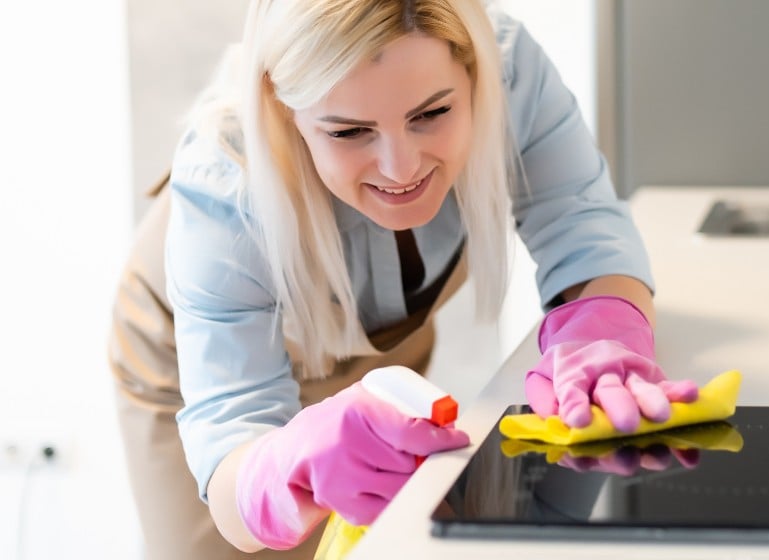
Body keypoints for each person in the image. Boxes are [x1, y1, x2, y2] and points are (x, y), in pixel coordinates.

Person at [107, 0, 697, 557]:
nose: (402, 169)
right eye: (347, 131)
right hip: (184, 367)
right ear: (286, 111)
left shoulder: (508, 66)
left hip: (375, 346)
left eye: (432, 114)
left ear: (473, 75)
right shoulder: (224, 181)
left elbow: (578, 219)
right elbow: (231, 447)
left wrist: (603, 332)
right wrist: (284, 466)